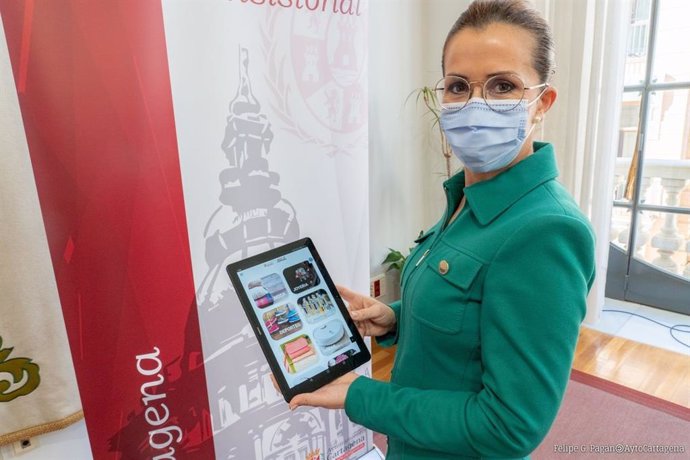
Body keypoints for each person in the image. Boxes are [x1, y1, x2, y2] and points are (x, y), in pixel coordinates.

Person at [287, 1, 596, 458]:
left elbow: (509, 427)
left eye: (503, 85)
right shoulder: (467, 198)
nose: (475, 104)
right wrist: (394, 317)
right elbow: (471, 315)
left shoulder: (546, 230)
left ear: (542, 103)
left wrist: (359, 395)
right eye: (458, 86)